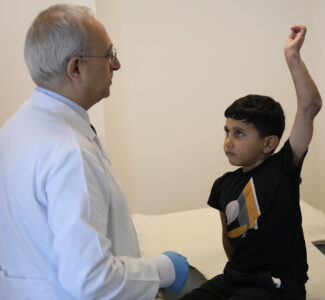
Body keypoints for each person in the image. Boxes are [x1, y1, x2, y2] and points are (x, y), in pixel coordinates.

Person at [0, 4, 188, 300]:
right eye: (109, 54)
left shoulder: (13, 130)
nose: (117, 65)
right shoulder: (68, 150)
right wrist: (164, 269)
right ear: (76, 68)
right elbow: (91, 280)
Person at [180, 25, 322, 300]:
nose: (228, 141)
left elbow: (310, 107)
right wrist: (237, 272)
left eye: (239, 133)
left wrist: (293, 58)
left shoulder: (283, 168)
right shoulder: (223, 185)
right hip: (235, 278)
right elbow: (229, 237)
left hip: (277, 284)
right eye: (227, 131)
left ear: (269, 143)